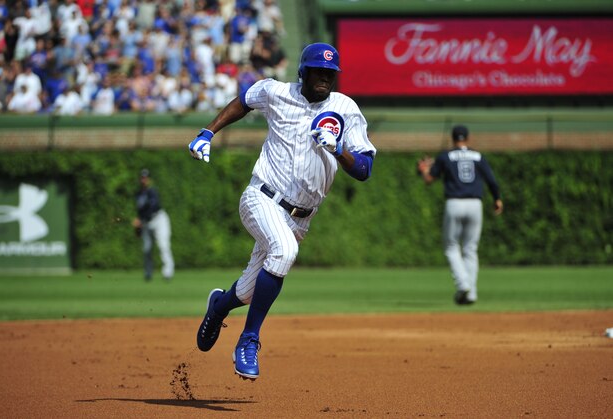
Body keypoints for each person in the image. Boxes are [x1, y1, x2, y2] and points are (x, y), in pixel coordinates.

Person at [188, 42, 377, 381]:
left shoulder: (345, 109)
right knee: (284, 251)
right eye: (318, 71)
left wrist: (339, 151)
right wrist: (207, 132)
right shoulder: (276, 91)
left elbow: (364, 169)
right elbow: (243, 102)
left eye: (330, 73)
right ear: (303, 71)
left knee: (247, 292)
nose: (324, 78)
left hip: (300, 217)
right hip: (261, 197)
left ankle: (218, 307)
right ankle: (249, 340)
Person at [417, 125, 503, 305]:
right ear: (468, 138)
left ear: (453, 138)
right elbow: (492, 181)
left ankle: (463, 284)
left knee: (451, 247)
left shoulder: (445, 156)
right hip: (475, 203)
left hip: (454, 203)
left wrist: (423, 169)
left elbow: (429, 180)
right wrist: (497, 199)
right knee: (470, 249)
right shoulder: (478, 156)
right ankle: (471, 293)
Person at [132, 169, 175, 282]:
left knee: (163, 245)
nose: (143, 180)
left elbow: (152, 207)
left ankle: (168, 272)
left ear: (149, 179)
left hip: (158, 219)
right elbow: (140, 211)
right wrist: (138, 222)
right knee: (146, 249)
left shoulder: (153, 192)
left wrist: (140, 220)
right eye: (142, 177)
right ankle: (148, 273)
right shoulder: (138, 194)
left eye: (145, 177)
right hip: (146, 223)